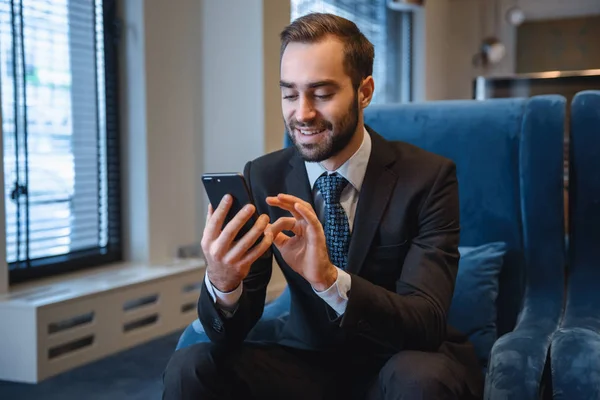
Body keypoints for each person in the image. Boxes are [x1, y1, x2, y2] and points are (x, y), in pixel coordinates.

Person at [163, 12, 483, 400]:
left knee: (420, 379)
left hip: (396, 360)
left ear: (364, 91)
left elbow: (426, 321)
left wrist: (330, 280)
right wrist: (223, 282)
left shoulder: (428, 178)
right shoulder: (264, 176)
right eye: (289, 93)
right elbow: (229, 331)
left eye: (322, 93)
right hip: (306, 362)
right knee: (191, 367)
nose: (302, 113)